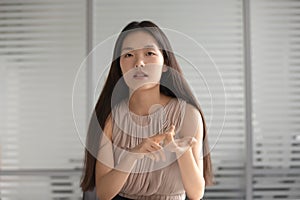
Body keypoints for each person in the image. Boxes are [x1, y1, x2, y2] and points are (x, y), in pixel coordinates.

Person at [80, 21, 214, 200]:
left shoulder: (188, 115)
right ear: (119, 65)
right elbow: (104, 194)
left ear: (165, 63)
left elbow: (196, 193)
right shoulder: (110, 117)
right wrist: (132, 155)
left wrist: (182, 152)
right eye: (128, 55)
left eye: (149, 53)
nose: (139, 63)